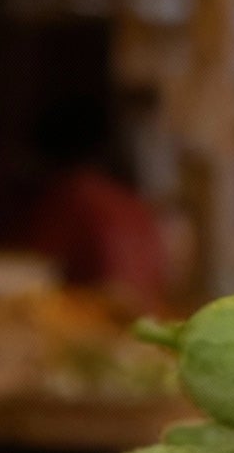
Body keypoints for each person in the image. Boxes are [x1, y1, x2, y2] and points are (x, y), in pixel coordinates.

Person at [22, 94, 170, 309]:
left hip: (109, 324)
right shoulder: (129, 201)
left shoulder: (74, 198)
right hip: (147, 317)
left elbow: (29, 270)